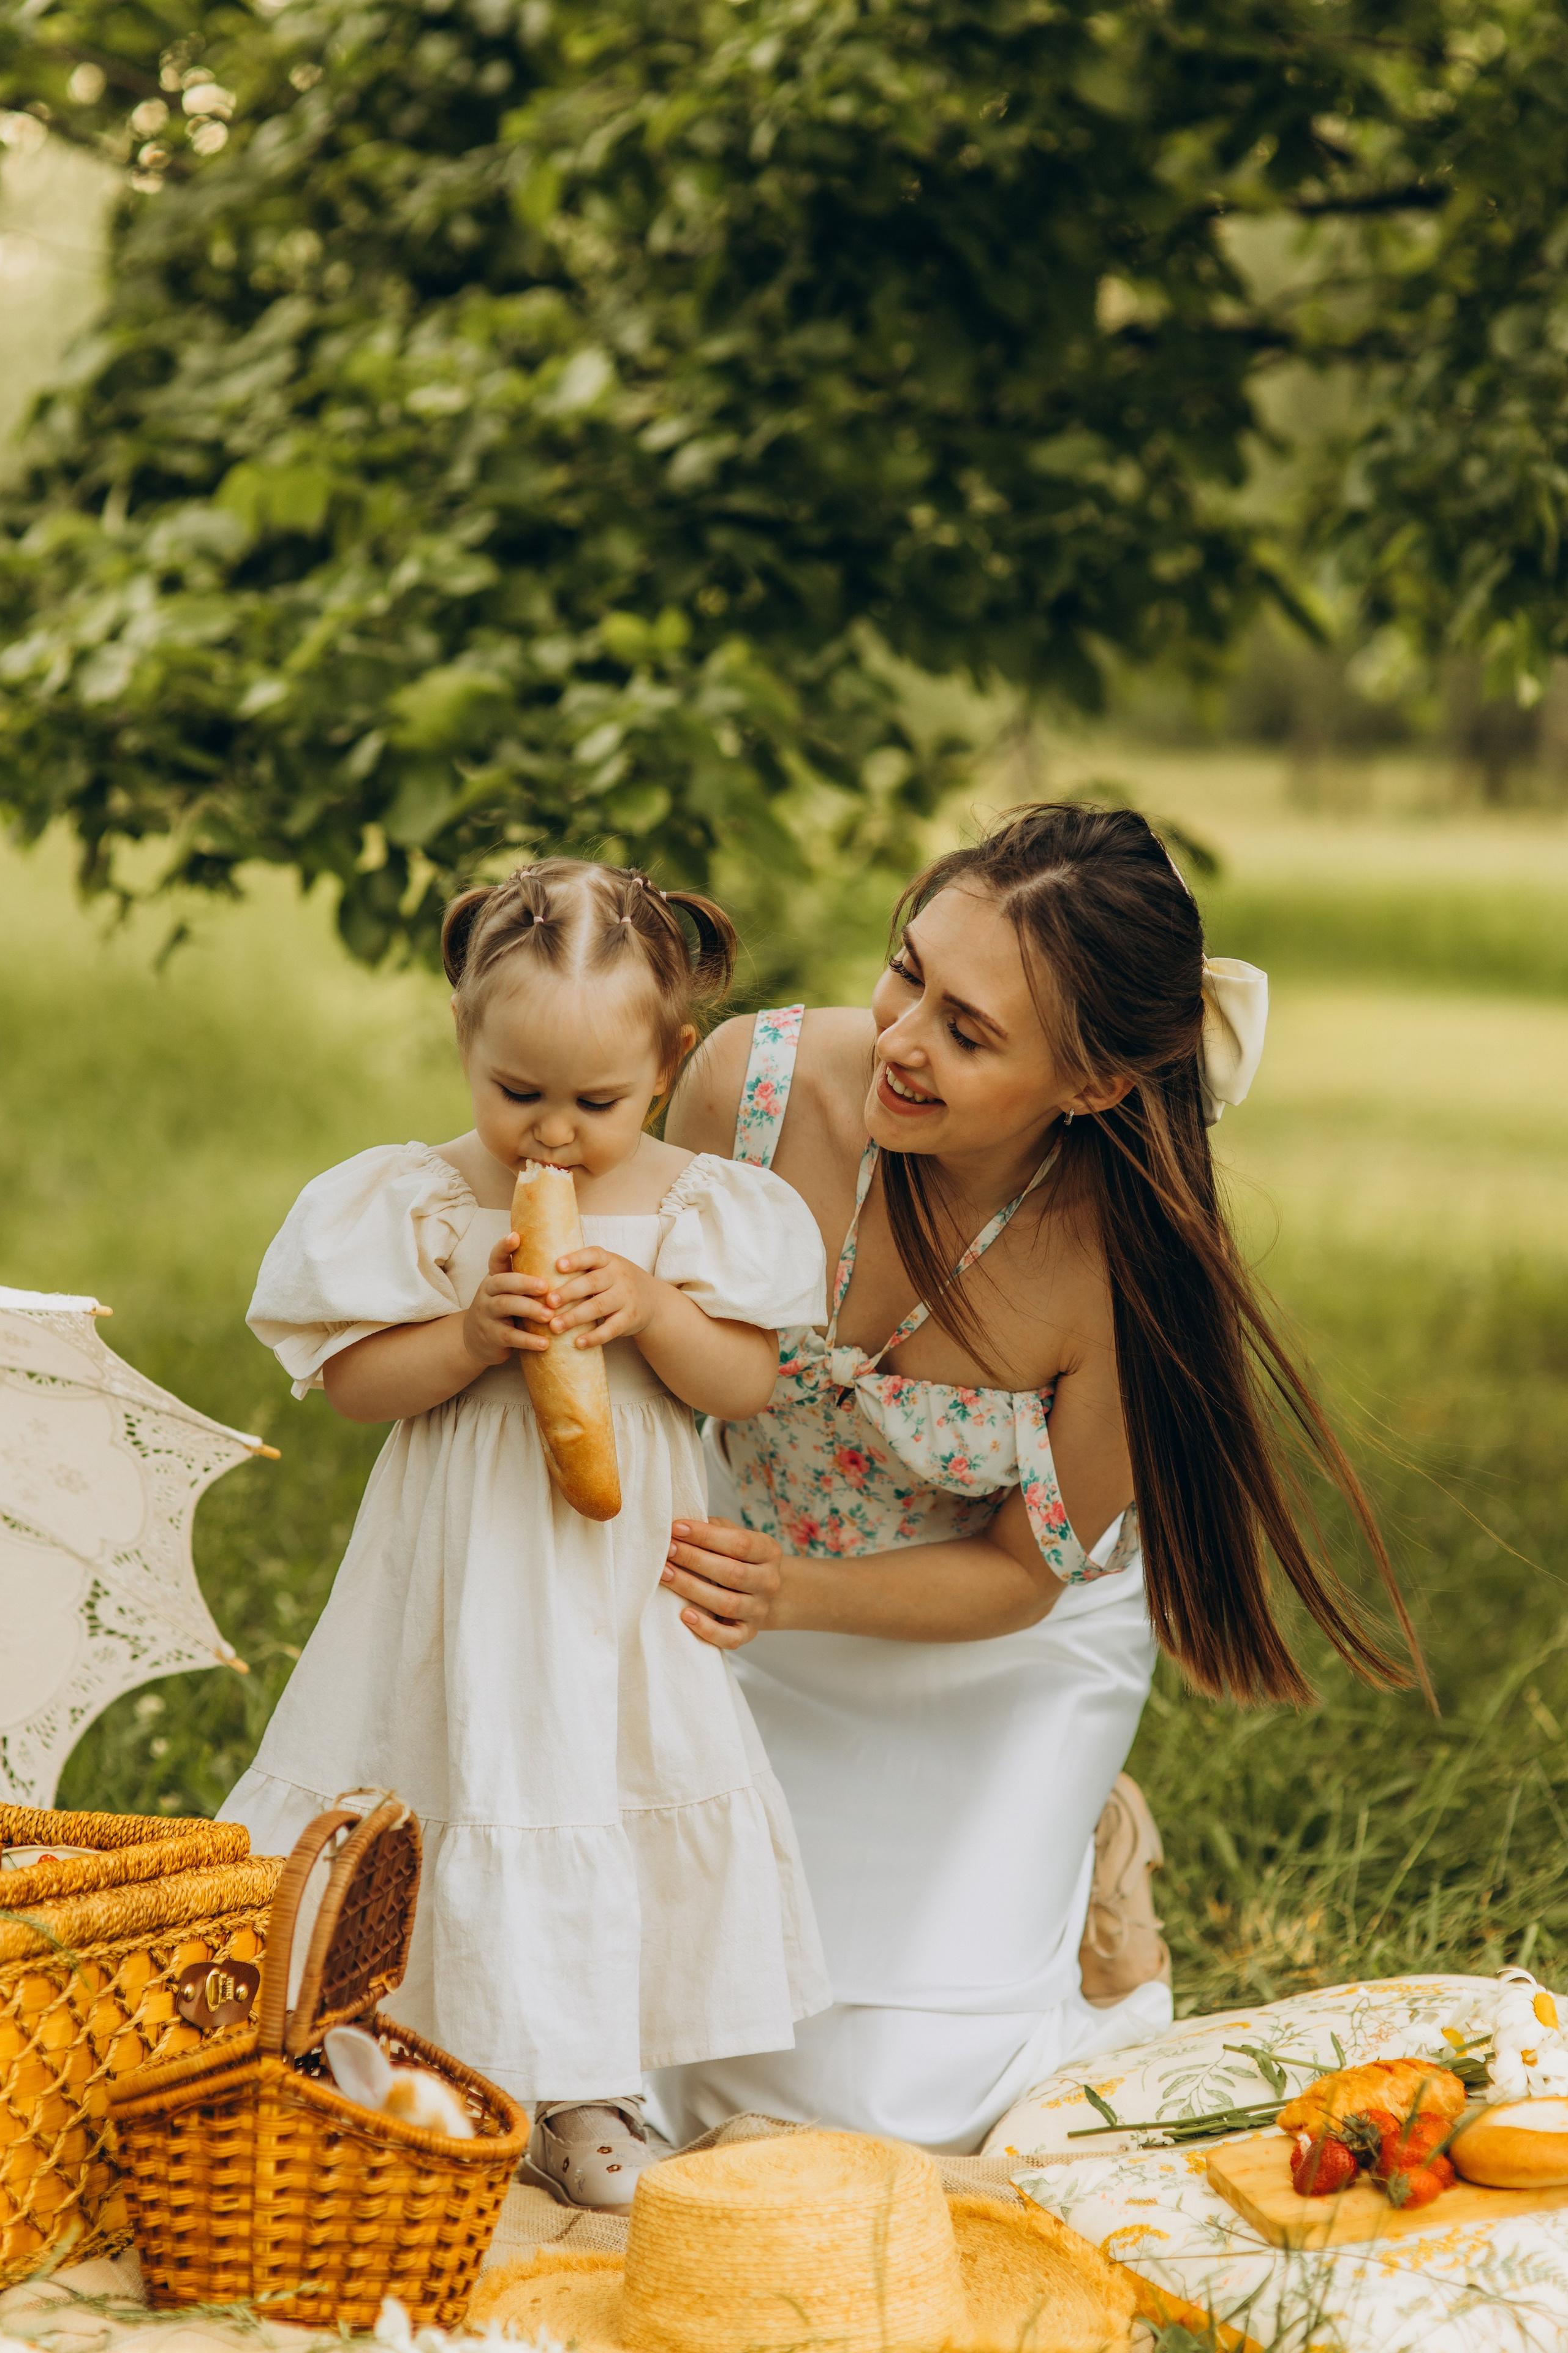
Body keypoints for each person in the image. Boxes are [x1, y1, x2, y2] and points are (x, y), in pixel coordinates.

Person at [649, 802, 1422, 2155]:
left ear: (1090, 1086)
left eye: (966, 1031)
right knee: (649, 2040)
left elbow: (1019, 1569)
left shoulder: (1122, 1272)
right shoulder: (745, 1089)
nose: (898, 1038)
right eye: (908, 972)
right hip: (728, 1600)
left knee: (888, 2105)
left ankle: (1088, 1856)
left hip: (986, 1641)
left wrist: (797, 1596)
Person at [222, 861, 831, 2210]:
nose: (551, 1137)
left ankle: (587, 2094)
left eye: (595, 1103)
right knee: (442, 1769)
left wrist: (655, 1312)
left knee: (594, 1784)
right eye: (518, 1094)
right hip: (458, 1573)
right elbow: (351, 1389)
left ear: (667, 1067)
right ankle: (398, 2057)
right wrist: (465, 1336)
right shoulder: (426, 1198)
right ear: (464, 1043)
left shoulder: (691, 1207)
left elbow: (746, 1385)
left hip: (615, 1593)